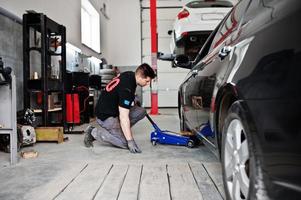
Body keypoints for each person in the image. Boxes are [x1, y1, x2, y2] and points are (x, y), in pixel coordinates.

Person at [84, 63, 156, 153]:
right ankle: (93, 132)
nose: (148, 84)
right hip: (106, 116)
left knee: (141, 111)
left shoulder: (130, 75)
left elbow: (120, 91)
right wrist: (130, 141)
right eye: (147, 81)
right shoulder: (127, 89)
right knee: (124, 143)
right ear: (141, 76)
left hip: (113, 109)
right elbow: (123, 116)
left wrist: (134, 98)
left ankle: (120, 131)